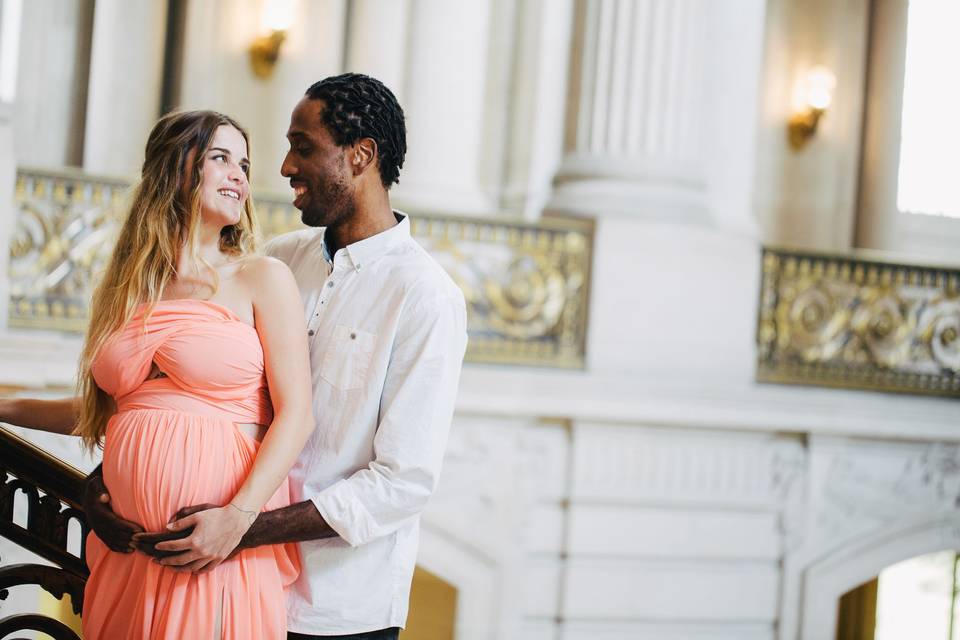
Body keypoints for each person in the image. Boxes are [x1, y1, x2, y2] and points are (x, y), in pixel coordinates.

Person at [133, 73, 469, 639]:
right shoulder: (279, 260)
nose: (285, 167)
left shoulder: (425, 296)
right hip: (234, 591)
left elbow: (401, 482)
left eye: (303, 147)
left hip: (336, 611)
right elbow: (199, 385)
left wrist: (244, 526)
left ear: (361, 156)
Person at [0, 110, 315, 639]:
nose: (239, 175)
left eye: (244, 163)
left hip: (211, 547)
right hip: (128, 551)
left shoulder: (262, 276)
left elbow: (296, 416)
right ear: (175, 167)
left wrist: (236, 520)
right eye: (220, 158)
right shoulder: (130, 290)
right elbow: (107, 412)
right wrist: (4, 406)